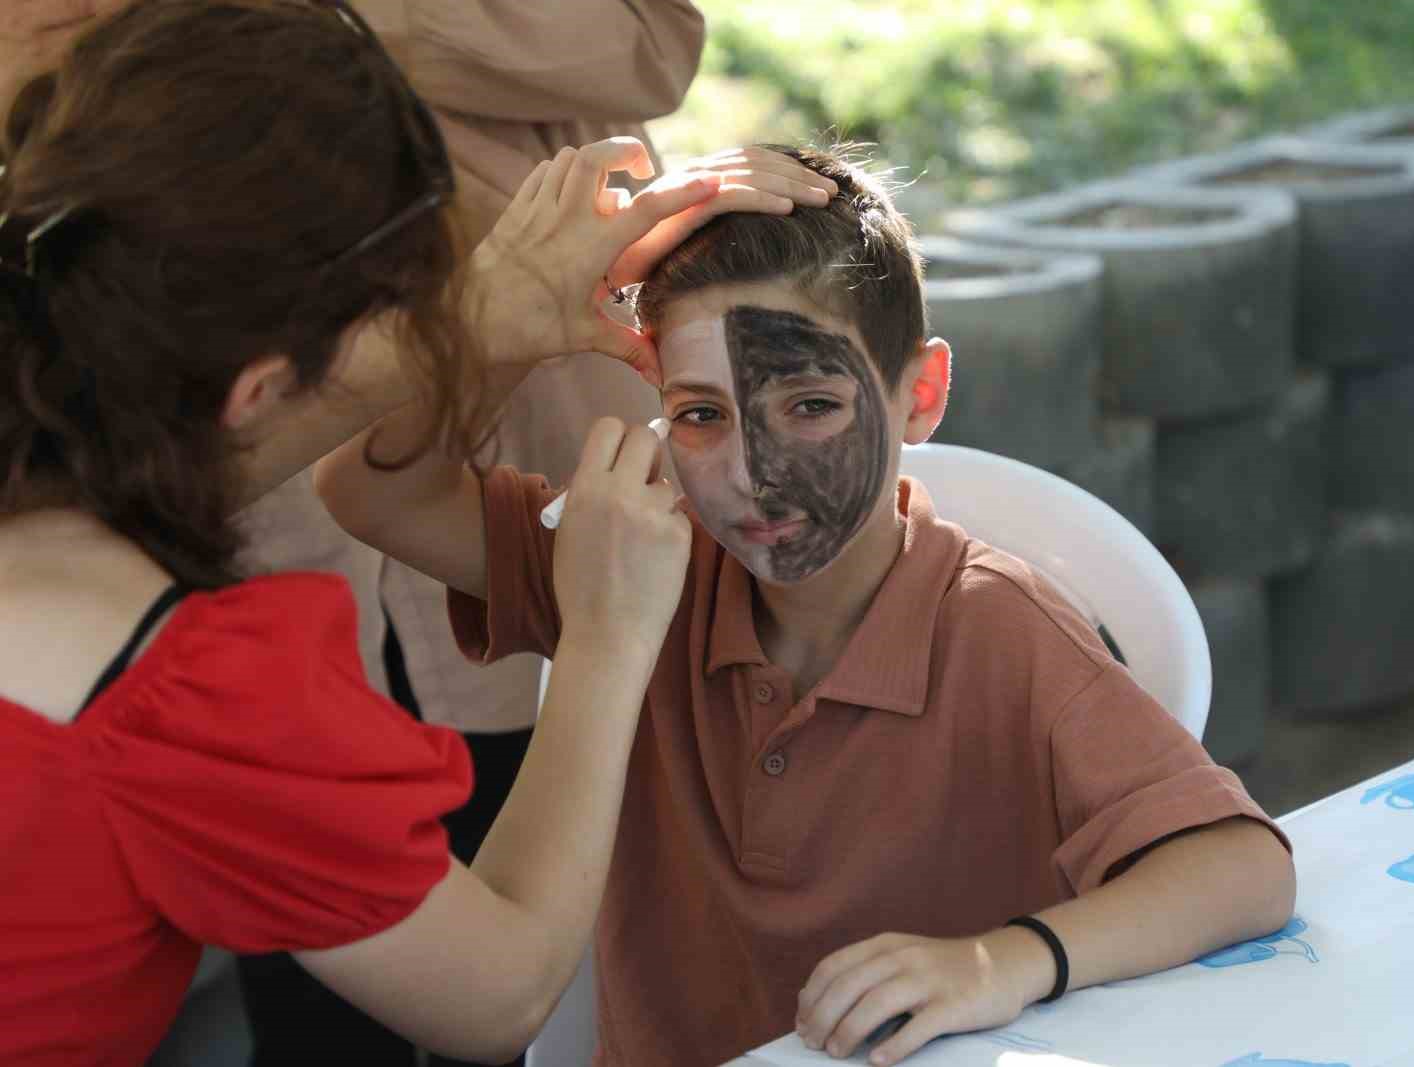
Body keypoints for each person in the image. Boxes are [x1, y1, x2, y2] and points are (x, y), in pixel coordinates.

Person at [317, 143, 1300, 1067]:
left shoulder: (1001, 627)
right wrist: (499, 330)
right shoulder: (636, 565)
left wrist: (1002, 960)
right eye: (702, 414)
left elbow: (1243, 866)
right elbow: (367, 491)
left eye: (812, 405)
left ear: (920, 394)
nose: (755, 472)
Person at [0, 3, 826, 1064]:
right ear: (260, 387)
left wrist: (483, 321)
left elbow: (151, 472)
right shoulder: (186, 697)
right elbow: (500, 989)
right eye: (400, 330)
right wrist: (605, 635)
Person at [231, 4, 714, 1062]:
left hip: (536, 415)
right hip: (251, 484)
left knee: (533, 849)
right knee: (317, 984)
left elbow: (656, 39)